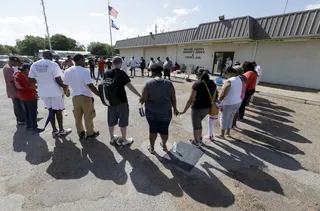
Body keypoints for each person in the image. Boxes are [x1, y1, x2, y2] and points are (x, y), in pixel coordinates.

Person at [29, 50, 72, 137]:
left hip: (43, 92)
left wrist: (40, 84)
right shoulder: (53, 64)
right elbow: (58, 80)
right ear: (50, 56)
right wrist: (66, 89)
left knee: (51, 110)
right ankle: (61, 130)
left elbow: (30, 79)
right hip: (55, 92)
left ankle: (54, 130)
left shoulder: (34, 64)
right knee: (58, 111)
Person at [140, 63, 179, 154]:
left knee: (152, 130)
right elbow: (173, 98)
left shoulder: (148, 84)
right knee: (164, 130)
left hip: (151, 112)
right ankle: (164, 145)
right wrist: (175, 109)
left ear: (153, 72)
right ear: (161, 72)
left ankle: (152, 148)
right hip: (165, 112)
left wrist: (141, 99)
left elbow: (144, 99)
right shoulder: (169, 83)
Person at [104, 56, 142, 146]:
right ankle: (124, 140)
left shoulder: (106, 73)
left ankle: (112, 138)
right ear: (120, 63)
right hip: (122, 101)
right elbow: (130, 86)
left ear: (112, 63)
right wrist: (139, 95)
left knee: (111, 120)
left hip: (110, 101)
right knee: (123, 120)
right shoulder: (122, 73)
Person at [63, 54, 100, 140]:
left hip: (75, 97)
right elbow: (90, 85)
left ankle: (80, 132)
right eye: (83, 59)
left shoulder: (68, 71)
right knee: (88, 116)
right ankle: (90, 133)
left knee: (77, 117)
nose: (84, 61)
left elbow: (65, 85)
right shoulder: (84, 71)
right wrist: (100, 95)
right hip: (86, 96)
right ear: (80, 59)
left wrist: (66, 92)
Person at [180, 69, 217, 147]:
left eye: (196, 75)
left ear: (200, 76)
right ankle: (199, 139)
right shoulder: (213, 83)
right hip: (207, 108)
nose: (196, 77)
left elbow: (190, 100)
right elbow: (214, 96)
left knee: (196, 126)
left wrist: (184, 111)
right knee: (199, 123)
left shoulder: (197, 85)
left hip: (197, 108)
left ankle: (196, 142)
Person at [13, 64, 42, 133]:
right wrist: (40, 86)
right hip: (29, 96)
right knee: (32, 112)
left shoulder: (16, 73)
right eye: (29, 70)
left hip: (22, 95)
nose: (29, 72)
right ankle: (34, 127)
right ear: (26, 69)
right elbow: (29, 86)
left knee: (27, 111)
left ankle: (28, 126)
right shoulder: (22, 76)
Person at [218, 67, 243, 138]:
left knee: (224, 118)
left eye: (225, 73)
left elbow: (223, 94)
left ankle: (222, 134)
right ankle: (228, 133)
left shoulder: (229, 81)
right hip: (238, 102)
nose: (225, 75)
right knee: (231, 117)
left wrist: (219, 101)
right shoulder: (240, 79)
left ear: (229, 73)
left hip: (229, 103)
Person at [3, 56, 25, 125]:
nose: (16, 64)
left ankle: (21, 119)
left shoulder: (6, 67)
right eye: (16, 62)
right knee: (18, 106)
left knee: (17, 105)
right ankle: (21, 120)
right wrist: (17, 90)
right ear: (12, 61)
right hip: (14, 91)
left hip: (11, 90)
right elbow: (12, 81)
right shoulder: (9, 69)